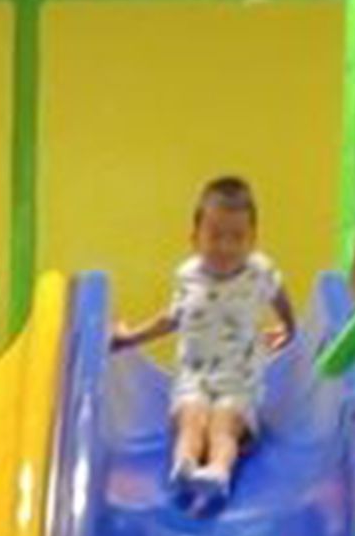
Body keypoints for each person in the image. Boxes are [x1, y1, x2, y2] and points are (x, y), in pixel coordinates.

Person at [110, 174, 296, 503]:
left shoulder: (258, 273)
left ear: (252, 239)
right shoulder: (188, 276)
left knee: (223, 424)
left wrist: (290, 326)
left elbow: (279, 295)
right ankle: (185, 466)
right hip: (193, 378)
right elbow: (170, 318)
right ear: (195, 237)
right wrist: (130, 338)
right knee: (191, 418)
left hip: (238, 382)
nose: (225, 246)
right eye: (215, 235)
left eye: (237, 237)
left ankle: (218, 473)